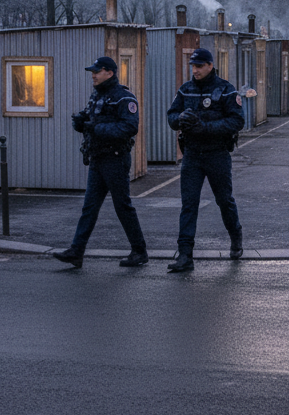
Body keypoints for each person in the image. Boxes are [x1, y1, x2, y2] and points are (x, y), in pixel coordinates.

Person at [52, 57, 149, 269]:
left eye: (97, 72)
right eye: (93, 72)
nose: (93, 76)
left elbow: (129, 128)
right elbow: (92, 118)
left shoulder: (124, 97)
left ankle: (139, 251)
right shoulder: (97, 95)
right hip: (98, 158)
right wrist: (81, 121)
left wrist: (94, 128)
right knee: (89, 208)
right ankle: (76, 252)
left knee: (122, 206)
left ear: (110, 73)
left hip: (115, 158)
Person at [164, 48, 245, 272]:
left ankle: (236, 237)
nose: (195, 70)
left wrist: (205, 127)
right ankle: (185, 255)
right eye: (193, 66)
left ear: (210, 65)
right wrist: (179, 118)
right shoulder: (186, 90)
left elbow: (237, 121)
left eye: (199, 66)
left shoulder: (226, 90)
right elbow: (171, 115)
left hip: (217, 154)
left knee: (224, 201)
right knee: (189, 205)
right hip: (192, 155)